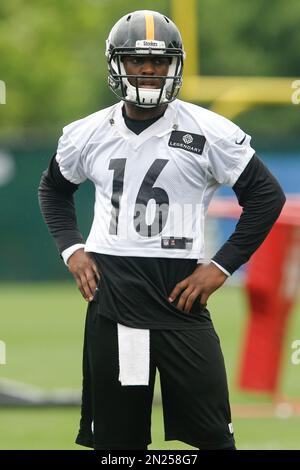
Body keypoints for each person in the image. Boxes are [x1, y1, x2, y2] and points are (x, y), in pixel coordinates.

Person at [38, 10, 285, 450]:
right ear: (117, 64)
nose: (149, 70)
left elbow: (267, 197)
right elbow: (53, 189)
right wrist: (72, 249)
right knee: (119, 445)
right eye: (137, 60)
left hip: (181, 302)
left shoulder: (207, 129)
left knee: (213, 440)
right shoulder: (87, 133)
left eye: (158, 61)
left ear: (175, 66)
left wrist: (222, 266)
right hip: (117, 302)